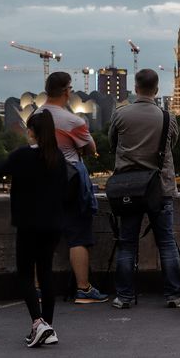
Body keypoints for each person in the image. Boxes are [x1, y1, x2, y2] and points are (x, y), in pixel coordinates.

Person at [108, 68, 180, 309]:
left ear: (136, 86)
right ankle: (173, 295)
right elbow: (173, 143)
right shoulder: (167, 117)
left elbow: (112, 144)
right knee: (166, 242)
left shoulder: (120, 114)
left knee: (127, 243)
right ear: (157, 89)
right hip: (159, 187)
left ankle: (124, 297)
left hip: (128, 188)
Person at [0, 109, 68, 347]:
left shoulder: (22, 156)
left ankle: (38, 323)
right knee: (45, 274)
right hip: (53, 225)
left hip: (28, 225)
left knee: (25, 275)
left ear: (32, 132)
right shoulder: (58, 157)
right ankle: (48, 326)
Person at [36, 71, 107, 304]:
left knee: (44, 237)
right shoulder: (74, 121)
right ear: (67, 91)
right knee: (78, 235)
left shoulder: (35, 116)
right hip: (70, 182)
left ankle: (38, 289)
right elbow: (91, 148)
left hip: (42, 183)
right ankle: (83, 290)